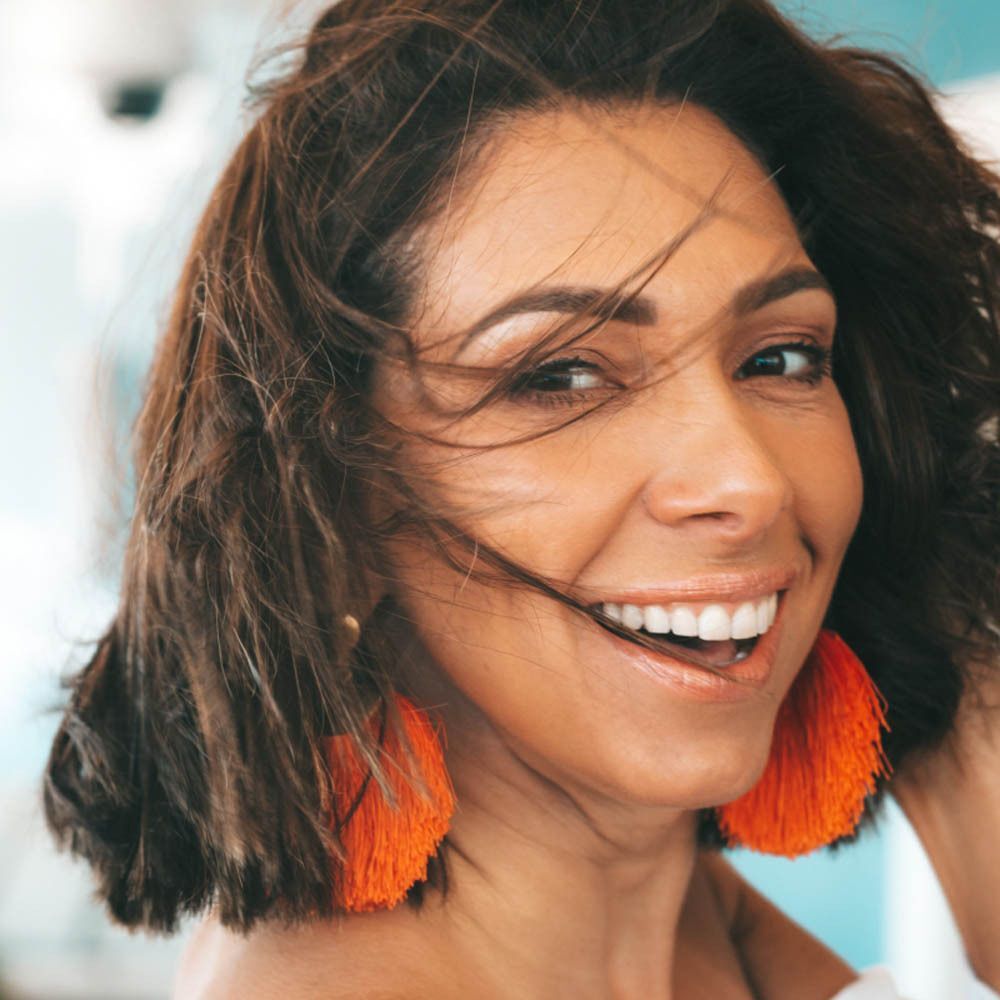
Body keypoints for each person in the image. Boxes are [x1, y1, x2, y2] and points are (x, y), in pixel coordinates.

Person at [42, 1, 999, 997]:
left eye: (781, 356)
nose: (749, 480)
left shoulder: (688, 932)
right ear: (333, 498)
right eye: (561, 378)